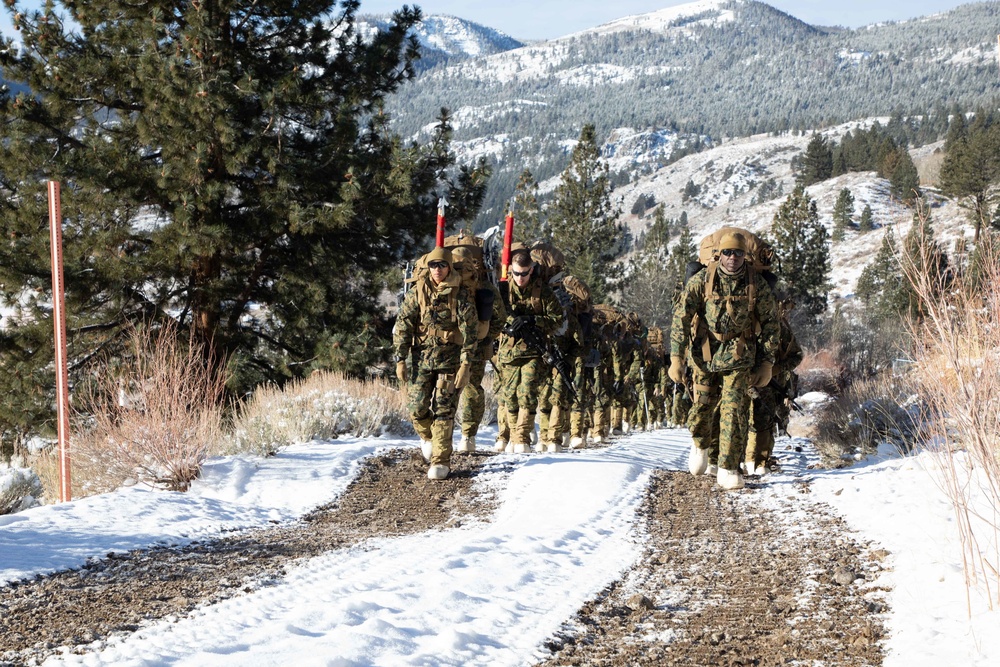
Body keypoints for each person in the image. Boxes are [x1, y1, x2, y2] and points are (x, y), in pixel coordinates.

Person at [668, 230, 779, 490]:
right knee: (701, 409)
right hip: (704, 355)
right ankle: (701, 444)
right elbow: (682, 318)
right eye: (728, 252)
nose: (733, 258)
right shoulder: (702, 279)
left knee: (733, 412)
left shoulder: (756, 285)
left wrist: (766, 362)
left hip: (739, 356)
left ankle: (728, 467)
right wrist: (676, 356)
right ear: (719, 255)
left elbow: (772, 324)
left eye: (738, 253)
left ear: (745, 256)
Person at [393, 246, 478, 480]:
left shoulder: (460, 294)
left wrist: (465, 365)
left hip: (450, 361)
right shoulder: (418, 291)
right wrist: (400, 359)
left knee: (444, 410)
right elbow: (403, 325)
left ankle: (441, 460)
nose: (437, 270)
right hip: (421, 360)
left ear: (449, 266)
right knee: (416, 407)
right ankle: (431, 438)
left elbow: (470, 333)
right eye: (433, 265)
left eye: (441, 265)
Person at [496, 248, 563, 453]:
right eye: (516, 273)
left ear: (531, 271)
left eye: (524, 273)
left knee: (526, 393)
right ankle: (514, 435)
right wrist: (508, 324)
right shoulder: (503, 290)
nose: (520, 278)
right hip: (508, 352)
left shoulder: (542, 291)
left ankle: (521, 438)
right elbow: (493, 315)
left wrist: (532, 320)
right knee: (509, 395)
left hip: (533, 352)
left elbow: (557, 320)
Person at [453, 245, 508, 453]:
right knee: (472, 388)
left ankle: (444, 435)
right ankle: (468, 436)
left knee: (447, 389)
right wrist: (486, 339)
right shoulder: (484, 286)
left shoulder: (445, 284)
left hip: (448, 347)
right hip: (474, 346)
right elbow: (500, 317)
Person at [746, 295, 803, 475]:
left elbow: (797, 355)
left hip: (768, 384)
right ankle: (740, 461)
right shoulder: (736, 320)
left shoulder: (777, 326)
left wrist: (775, 370)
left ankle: (760, 462)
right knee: (737, 420)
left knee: (763, 421)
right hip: (737, 380)